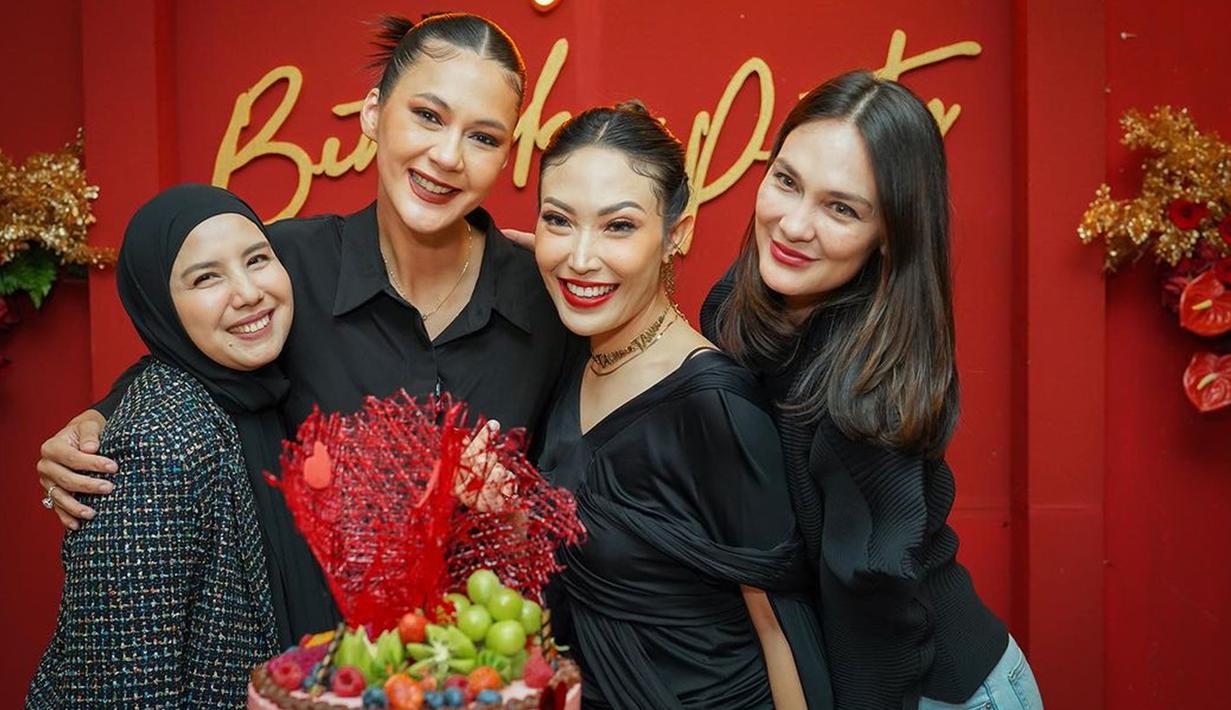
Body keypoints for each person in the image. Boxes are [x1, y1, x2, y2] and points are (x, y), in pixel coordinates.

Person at [36, 13, 569, 530]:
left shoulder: (544, 296)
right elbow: (187, 360)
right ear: (373, 114)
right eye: (428, 116)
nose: (449, 156)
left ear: (506, 156)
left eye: (484, 137)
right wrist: (99, 419)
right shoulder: (284, 267)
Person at [701, 70, 1043, 709]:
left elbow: (877, 609)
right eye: (787, 181)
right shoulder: (743, 304)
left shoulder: (863, 397)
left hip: (935, 691)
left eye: (841, 208)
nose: (793, 225)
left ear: (889, 233)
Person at [533, 102, 831, 710]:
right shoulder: (573, 360)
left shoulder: (715, 404)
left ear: (677, 234)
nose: (580, 257)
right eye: (559, 221)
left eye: (618, 226)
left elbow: (782, 632)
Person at [28, 185, 300, 706]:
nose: (248, 292)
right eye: (206, 278)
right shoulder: (156, 446)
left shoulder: (258, 390)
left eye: (257, 259)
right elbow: (122, 689)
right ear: (160, 306)